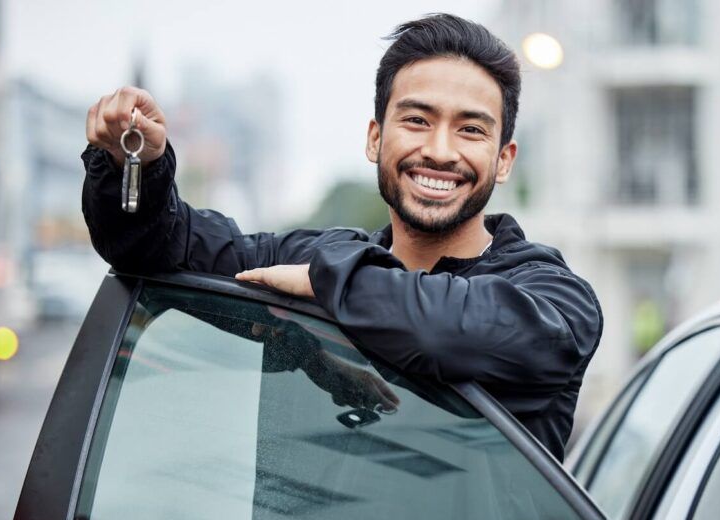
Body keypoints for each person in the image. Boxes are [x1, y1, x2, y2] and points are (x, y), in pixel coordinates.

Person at [81, 13, 602, 460]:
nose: (441, 151)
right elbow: (155, 248)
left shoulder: (555, 300)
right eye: (417, 120)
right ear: (375, 139)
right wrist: (136, 166)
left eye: (471, 129)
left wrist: (330, 283)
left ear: (503, 159)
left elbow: (449, 330)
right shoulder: (316, 261)